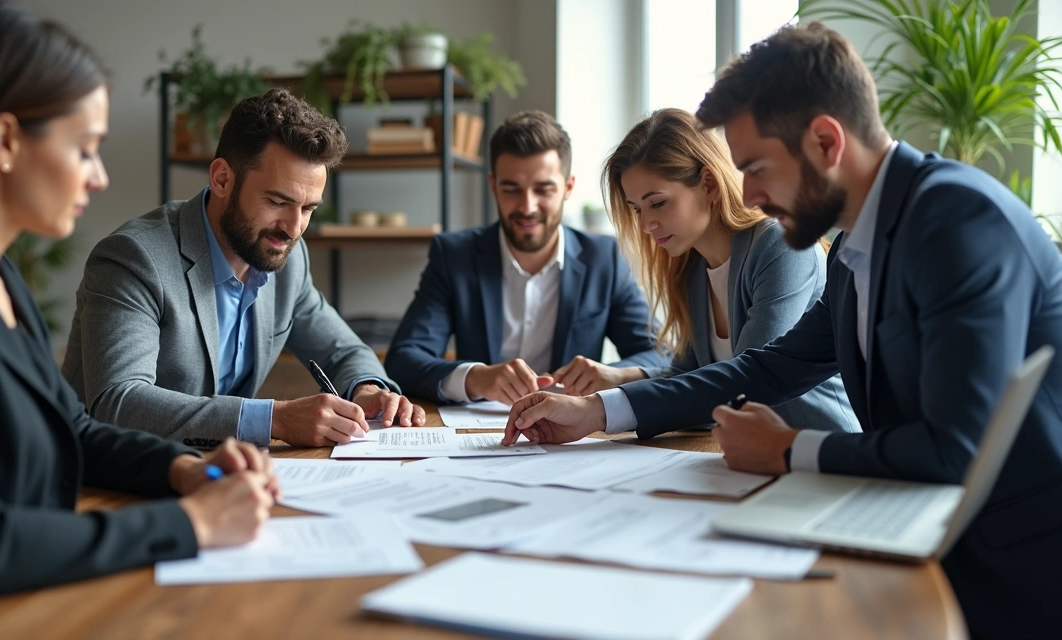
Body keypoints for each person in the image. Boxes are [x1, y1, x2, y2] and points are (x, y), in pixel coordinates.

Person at [502, 23, 1062, 638]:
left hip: (1014, 569)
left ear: (826, 141)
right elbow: (766, 366)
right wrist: (598, 412)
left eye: (757, 167)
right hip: (920, 531)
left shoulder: (957, 221)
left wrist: (787, 449)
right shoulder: (857, 245)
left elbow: (959, 450)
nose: (748, 193)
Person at [0, 1, 278, 609]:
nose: (98, 176)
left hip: (24, 602)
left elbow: (71, 428)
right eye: (85, 149)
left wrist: (182, 470)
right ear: (4, 141)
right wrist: (193, 525)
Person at [62, 88, 424, 449]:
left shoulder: (287, 258)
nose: (294, 227)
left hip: (218, 475)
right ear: (222, 179)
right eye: (277, 201)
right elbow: (118, 401)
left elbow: (344, 350)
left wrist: (367, 389)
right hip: (105, 480)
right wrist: (273, 419)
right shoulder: (135, 258)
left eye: (309, 208)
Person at [385, 111, 669, 405]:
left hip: (572, 434)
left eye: (543, 189)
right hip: (475, 433)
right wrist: (476, 377)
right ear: (494, 186)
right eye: (512, 189)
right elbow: (404, 360)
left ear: (568, 188)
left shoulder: (604, 258)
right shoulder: (454, 256)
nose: (528, 206)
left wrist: (615, 375)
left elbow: (662, 356)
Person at [602, 108, 858, 433]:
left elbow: (745, 384)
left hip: (818, 453)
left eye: (658, 203)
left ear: (709, 184)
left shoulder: (779, 245)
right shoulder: (690, 266)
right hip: (742, 457)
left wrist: (603, 408)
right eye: (636, 209)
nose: (645, 225)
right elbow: (691, 375)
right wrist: (619, 379)